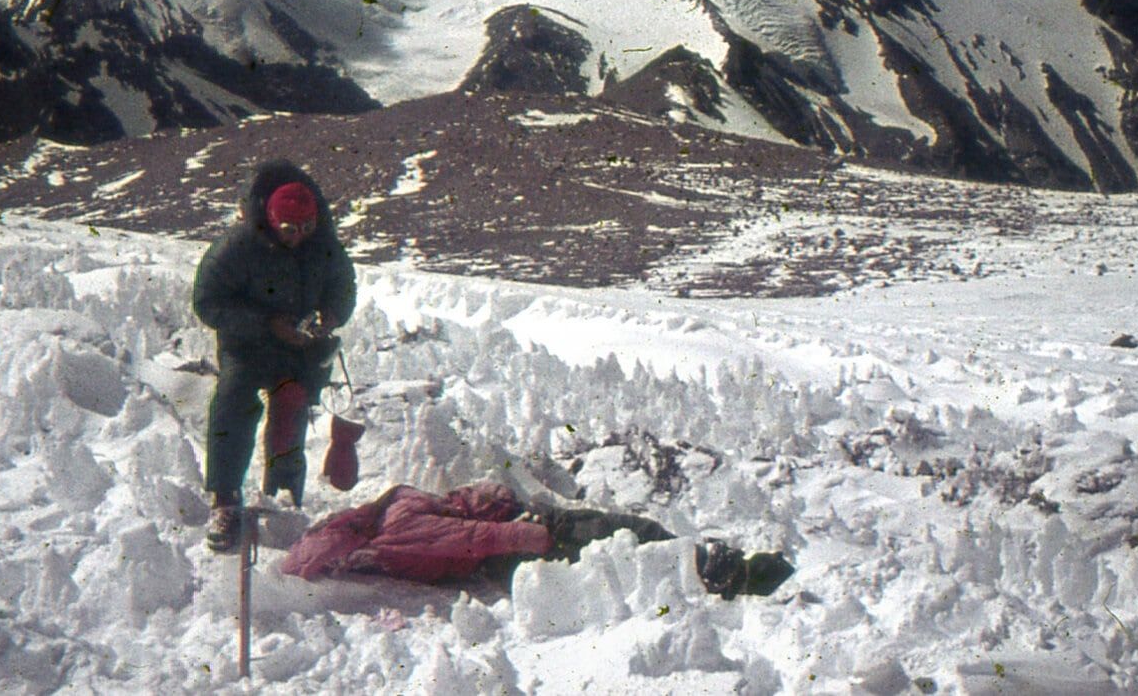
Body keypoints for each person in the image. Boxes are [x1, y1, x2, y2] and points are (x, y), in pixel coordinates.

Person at [193, 159, 357, 553]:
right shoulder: (236, 246)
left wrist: (330, 315)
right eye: (289, 230)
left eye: (306, 228)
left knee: (291, 407)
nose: (299, 237)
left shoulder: (324, 245)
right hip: (247, 346)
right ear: (271, 219)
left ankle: (283, 493)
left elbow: (343, 288)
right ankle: (225, 498)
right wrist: (267, 324)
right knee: (233, 405)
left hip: (299, 350)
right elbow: (207, 302)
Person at [279, 479, 793, 599]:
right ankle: (723, 571)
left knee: (632, 539)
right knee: (633, 536)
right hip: (527, 541)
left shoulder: (389, 526)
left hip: (521, 540)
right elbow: (472, 536)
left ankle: (714, 568)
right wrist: (536, 534)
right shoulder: (400, 521)